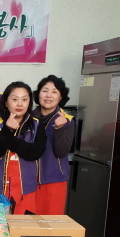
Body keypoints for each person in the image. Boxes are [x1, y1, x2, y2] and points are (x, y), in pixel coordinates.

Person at [0, 81, 46, 215]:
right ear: (6, 102)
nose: (20, 104)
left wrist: (5, 137)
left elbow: (34, 153)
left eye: (24, 99)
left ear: (29, 103)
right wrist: (7, 130)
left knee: (23, 226)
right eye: (15, 99)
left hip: (25, 189)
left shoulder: (36, 125)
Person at [32, 75, 75, 214]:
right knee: (27, 222)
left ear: (60, 97)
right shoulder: (28, 118)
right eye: (45, 90)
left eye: (54, 92)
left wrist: (59, 129)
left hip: (54, 181)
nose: (49, 95)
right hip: (28, 181)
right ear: (38, 94)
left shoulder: (67, 120)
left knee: (50, 223)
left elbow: (61, 151)